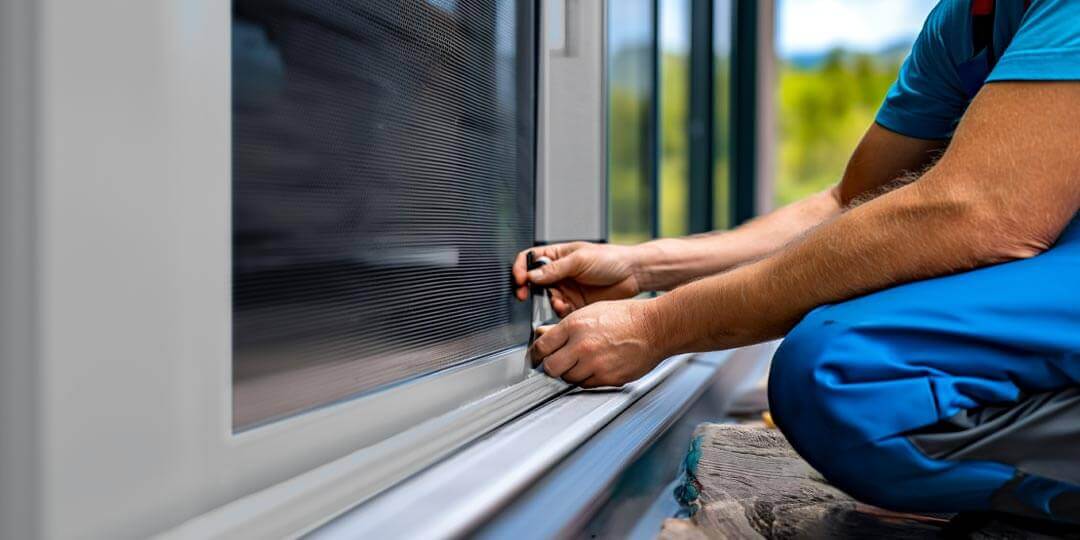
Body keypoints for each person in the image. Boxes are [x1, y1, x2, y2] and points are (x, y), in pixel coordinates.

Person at [513, 0, 1080, 525]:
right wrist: (644, 268)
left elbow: (979, 212)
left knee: (847, 377)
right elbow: (850, 203)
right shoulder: (966, 22)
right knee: (848, 372)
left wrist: (660, 325)